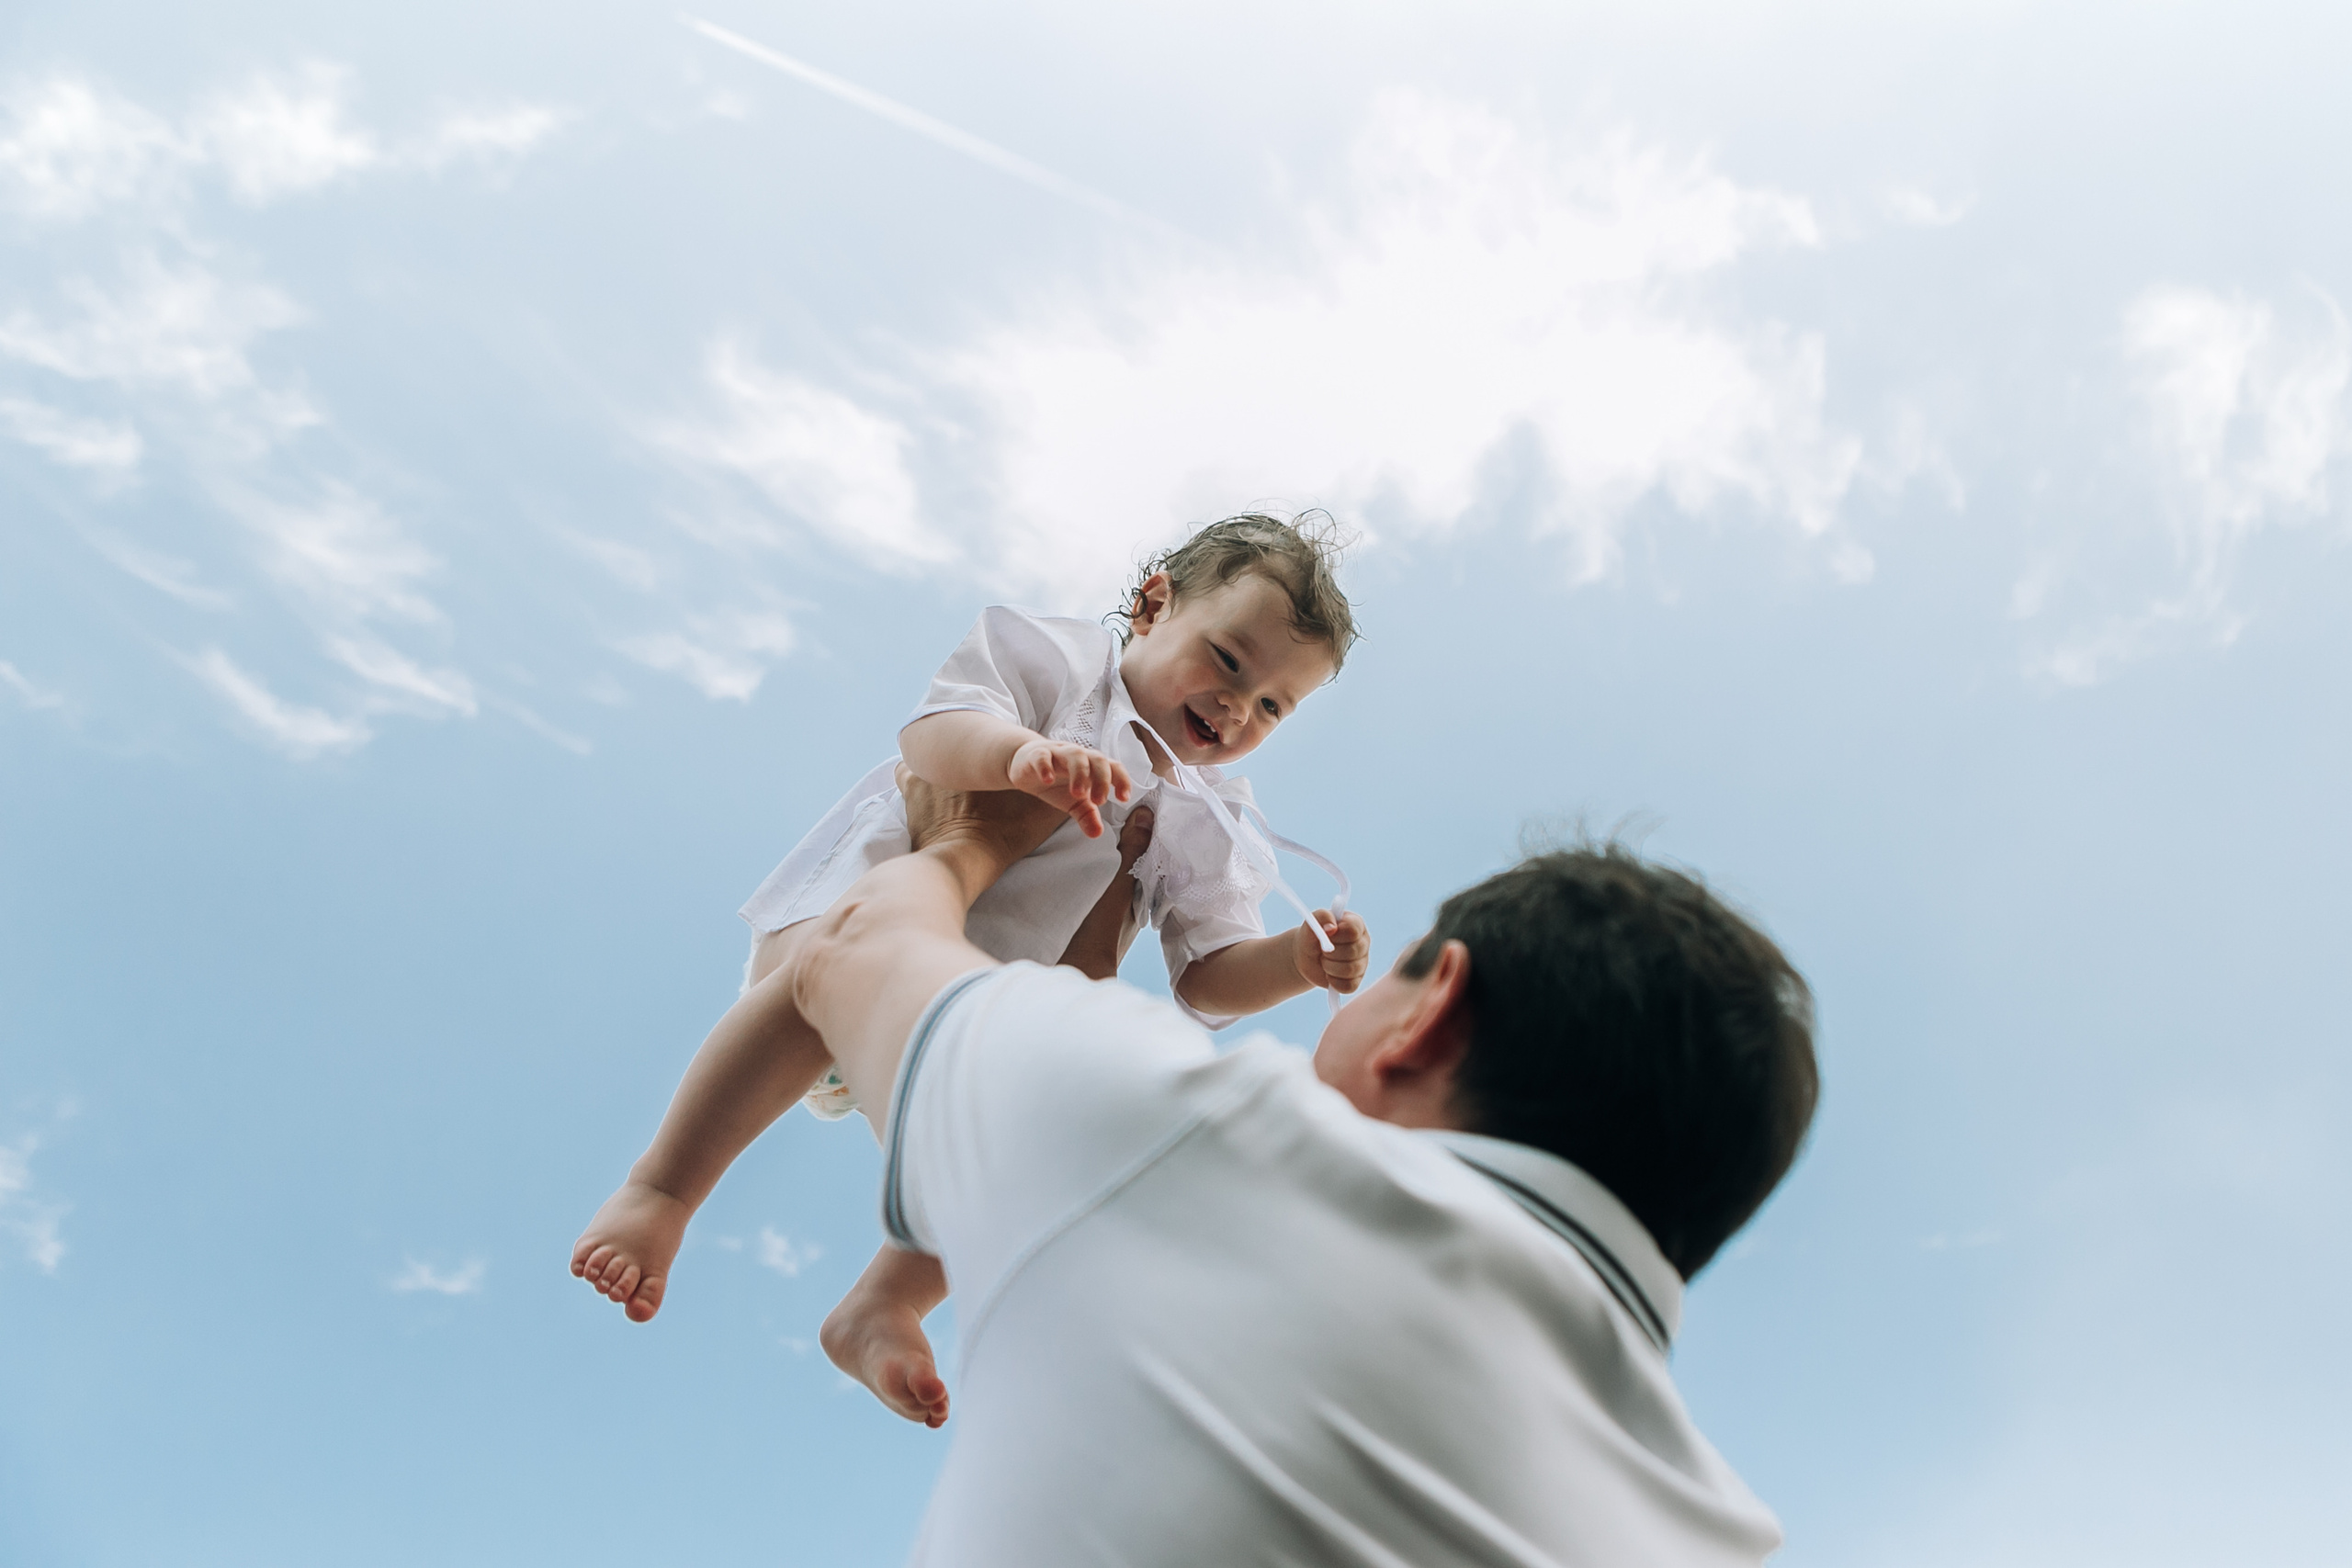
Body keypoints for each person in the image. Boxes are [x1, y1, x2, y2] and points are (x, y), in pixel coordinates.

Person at [586, 774, 1820, 1565]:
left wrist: (969, 842)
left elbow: (858, 939)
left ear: (1430, 1011)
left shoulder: (1212, 1145)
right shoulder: (1724, 1532)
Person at [572, 513, 1373, 1426]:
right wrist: (1016, 757)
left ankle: (886, 1303)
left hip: (964, 1020)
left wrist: (1296, 962)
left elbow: (1208, 974)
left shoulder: (1208, 815)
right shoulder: (1059, 669)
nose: (1239, 708)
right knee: (830, 974)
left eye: (1274, 706)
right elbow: (933, 735)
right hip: (872, 905)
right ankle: (663, 1189)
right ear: (1153, 606)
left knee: (1037, 1155)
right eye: (1229, 662)